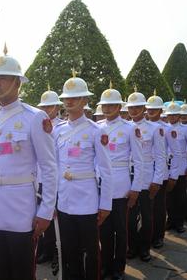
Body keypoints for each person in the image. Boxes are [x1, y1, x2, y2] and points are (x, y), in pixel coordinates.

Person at [0, 48, 57, 280]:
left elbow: (49, 167)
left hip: (21, 211)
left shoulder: (34, 117)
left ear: (17, 83)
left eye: (2, 78)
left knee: (21, 272)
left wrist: (46, 211)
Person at [54, 71, 112, 279]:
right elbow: (53, 167)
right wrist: (52, 201)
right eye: (66, 98)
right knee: (69, 250)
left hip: (87, 200)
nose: (69, 102)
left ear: (85, 100)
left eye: (74, 98)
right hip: (64, 199)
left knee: (91, 250)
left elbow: (106, 170)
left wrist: (105, 204)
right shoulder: (58, 130)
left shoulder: (96, 131)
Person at [97, 83, 143, 280]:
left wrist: (136, 189)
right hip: (100, 185)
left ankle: (119, 267)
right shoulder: (96, 128)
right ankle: (105, 265)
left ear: (119, 107)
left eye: (111, 105)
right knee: (104, 230)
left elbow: (140, 161)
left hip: (121, 185)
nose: (107, 109)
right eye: (104, 106)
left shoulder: (130, 128)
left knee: (120, 229)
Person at [125, 89, 166, 262]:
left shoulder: (155, 128)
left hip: (147, 178)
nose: (133, 111)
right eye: (131, 108)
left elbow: (161, 156)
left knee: (147, 217)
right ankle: (132, 246)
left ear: (144, 108)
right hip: (128, 177)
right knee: (130, 217)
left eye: (137, 107)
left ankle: (144, 247)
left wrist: (157, 180)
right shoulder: (125, 127)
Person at [35, 87, 63, 266]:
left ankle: (55, 252)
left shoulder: (61, 127)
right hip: (38, 179)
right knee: (40, 215)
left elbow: (59, 159)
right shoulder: (36, 124)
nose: (46, 110)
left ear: (57, 107)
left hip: (54, 179)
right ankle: (44, 248)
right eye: (43, 107)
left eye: (49, 107)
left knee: (53, 219)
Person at [165, 101, 187, 233]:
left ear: (179, 115)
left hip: (181, 167)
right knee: (168, 197)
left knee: (180, 197)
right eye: (170, 115)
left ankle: (179, 222)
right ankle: (170, 220)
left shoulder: (186, 130)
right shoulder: (163, 128)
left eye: (175, 115)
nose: (172, 117)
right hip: (166, 167)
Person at [145, 91, 170, 249]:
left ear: (161, 111)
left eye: (155, 109)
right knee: (146, 208)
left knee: (159, 207)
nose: (151, 111)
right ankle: (147, 235)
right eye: (149, 109)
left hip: (159, 172)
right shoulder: (140, 126)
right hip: (145, 170)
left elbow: (166, 154)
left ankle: (158, 236)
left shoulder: (165, 128)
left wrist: (158, 178)